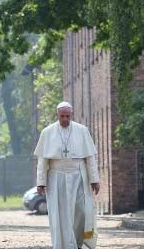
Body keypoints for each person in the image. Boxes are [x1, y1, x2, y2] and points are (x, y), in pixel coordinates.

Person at [34, 101, 100, 249]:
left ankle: (78, 243)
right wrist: (40, 182)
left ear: (71, 115)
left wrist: (94, 179)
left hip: (79, 177)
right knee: (61, 214)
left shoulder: (82, 130)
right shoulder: (48, 132)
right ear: (57, 115)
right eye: (62, 116)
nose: (65, 119)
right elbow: (43, 160)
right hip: (57, 178)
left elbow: (90, 158)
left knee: (82, 211)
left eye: (67, 116)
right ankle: (63, 245)